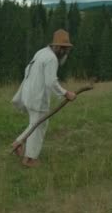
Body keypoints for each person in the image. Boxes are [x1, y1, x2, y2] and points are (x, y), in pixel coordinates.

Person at [11, 29, 76, 167]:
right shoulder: (52, 59)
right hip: (37, 98)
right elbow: (51, 82)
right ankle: (30, 159)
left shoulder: (41, 52)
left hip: (29, 94)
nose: (66, 52)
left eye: (67, 49)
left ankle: (18, 143)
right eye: (65, 49)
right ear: (58, 47)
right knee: (39, 126)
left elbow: (27, 70)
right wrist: (66, 93)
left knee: (34, 123)